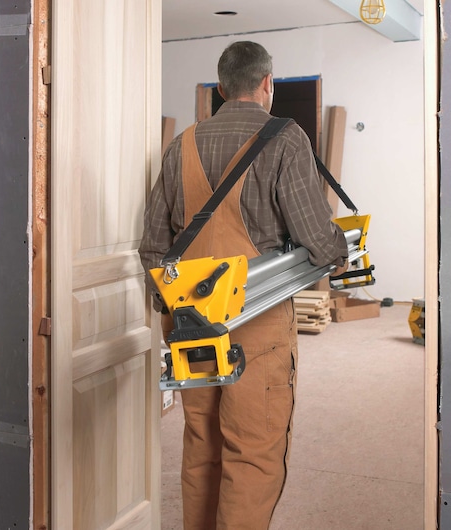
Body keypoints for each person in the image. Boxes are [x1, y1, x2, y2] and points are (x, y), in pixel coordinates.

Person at [139, 41, 348, 530]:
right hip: (258, 323)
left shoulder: (181, 145)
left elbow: (153, 247)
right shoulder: (285, 138)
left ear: (220, 89)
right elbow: (319, 241)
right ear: (267, 85)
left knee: (202, 445)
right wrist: (340, 251)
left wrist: (172, 310)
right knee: (252, 450)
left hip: (192, 326)